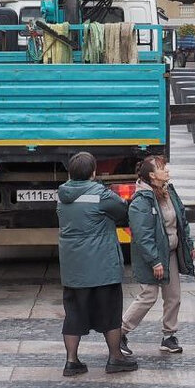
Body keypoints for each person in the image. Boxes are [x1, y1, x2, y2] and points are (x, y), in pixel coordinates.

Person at [56, 151, 137, 376]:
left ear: (70, 173)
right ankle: (115, 358)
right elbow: (122, 211)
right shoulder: (101, 195)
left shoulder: (62, 195)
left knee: (73, 313)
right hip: (102, 267)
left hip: (73, 268)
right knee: (110, 313)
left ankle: (71, 362)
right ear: (93, 172)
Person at [120, 156, 195, 357]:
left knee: (173, 296)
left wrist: (188, 243)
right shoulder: (141, 201)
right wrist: (155, 261)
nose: (167, 171)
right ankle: (121, 332)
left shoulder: (169, 191)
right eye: (163, 169)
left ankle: (169, 336)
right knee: (149, 295)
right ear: (152, 175)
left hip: (169, 252)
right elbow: (142, 236)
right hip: (151, 256)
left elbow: (181, 219)